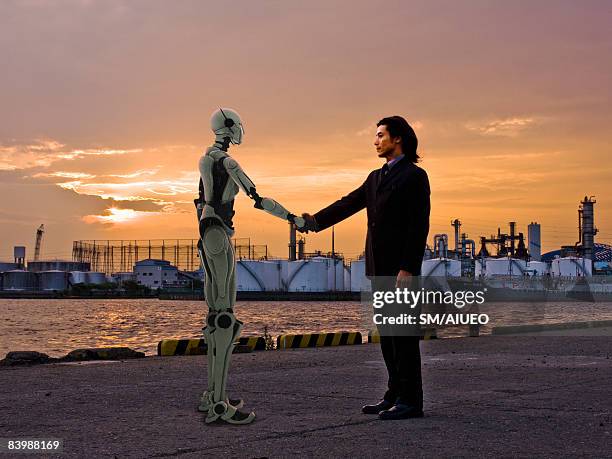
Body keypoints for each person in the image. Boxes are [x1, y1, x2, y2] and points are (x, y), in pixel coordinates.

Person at [302, 116, 430, 420]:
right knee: (387, 334)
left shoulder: (415, 176)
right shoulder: (375, 178)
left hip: (400, 271)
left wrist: (408, 267)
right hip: (378, 267)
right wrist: (315, 222)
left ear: (397, 139)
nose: (375, 141)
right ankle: (395, 393)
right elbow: (348, 203)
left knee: (404, 336)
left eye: (380, 135)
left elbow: (418, 224)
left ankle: (411, 400)